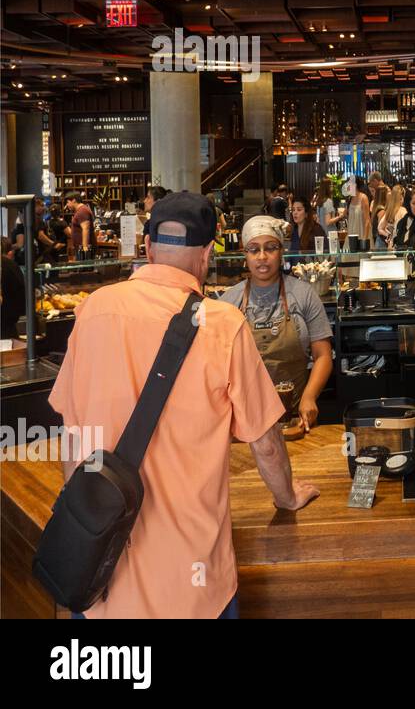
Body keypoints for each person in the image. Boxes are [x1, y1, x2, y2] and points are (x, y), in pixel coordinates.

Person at [48, 192, 317, 618]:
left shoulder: (94, 310)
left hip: (100, 571)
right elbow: (264, 442)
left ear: (149, 248)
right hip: (192, 585)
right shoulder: (224, 325)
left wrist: (80, 518)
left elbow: (71, 429)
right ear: (208, 254)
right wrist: (287, 497)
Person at [220, 216, 333, 434]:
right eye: (254, 249)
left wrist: (309, 397)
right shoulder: (228, 302)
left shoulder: (303, 294)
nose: (262, 257)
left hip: (295, 419)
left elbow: (323, 355)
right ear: (245, 254)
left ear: (281, 252)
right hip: (245, 420)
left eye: (270, 248)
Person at [64, 191, 95, 257]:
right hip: (80, 249)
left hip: (83, 251)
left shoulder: (82, 211)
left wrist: (84, 248)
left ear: (74, 200)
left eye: (68, 202)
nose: (67, 205)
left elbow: (85, 229)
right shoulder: (80, 210)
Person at [344, 177, 371, 250]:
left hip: (362, 233)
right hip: (351, 235)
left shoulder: (363, 198)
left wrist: (364, 239)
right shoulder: (350, 199)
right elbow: (345, 215)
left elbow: (367, 220)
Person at [379, 183, 407, 247]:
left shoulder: (389, 211)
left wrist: (389, 236)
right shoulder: (402, 211)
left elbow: (380, 228)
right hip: (400, 245)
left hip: (391, 245)